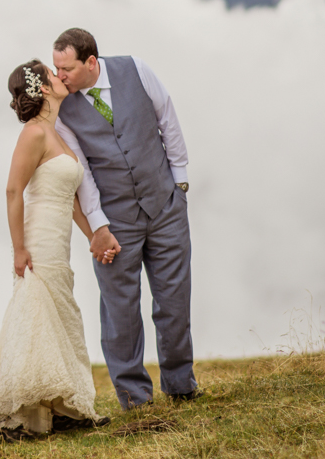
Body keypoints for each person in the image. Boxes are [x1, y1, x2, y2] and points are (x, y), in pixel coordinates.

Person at [50, 27, 199, 410]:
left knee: (174, 300)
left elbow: (168, 119)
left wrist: (179, 183)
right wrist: (98, 226)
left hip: (166, 206)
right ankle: (135, 400)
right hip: (115, 221)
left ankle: (181, 385)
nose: (59, 76)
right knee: (120, 312)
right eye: (56, 68)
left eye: (66, 68)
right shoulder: (61, 110)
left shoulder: (136, 69)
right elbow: (80, 169)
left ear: (91, 63)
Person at [0, 60, 110, 439]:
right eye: (53, 74)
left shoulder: (56, 133)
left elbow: (72, 199)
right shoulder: (34, 133)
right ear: (43, 89)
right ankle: (21, 416)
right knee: (37, 314)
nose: (60, 77)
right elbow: (13, 190)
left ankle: (64, 408)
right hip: (39, 236)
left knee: (61, 312)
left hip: (60, 235)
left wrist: (93, 235)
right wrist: (19, 249)